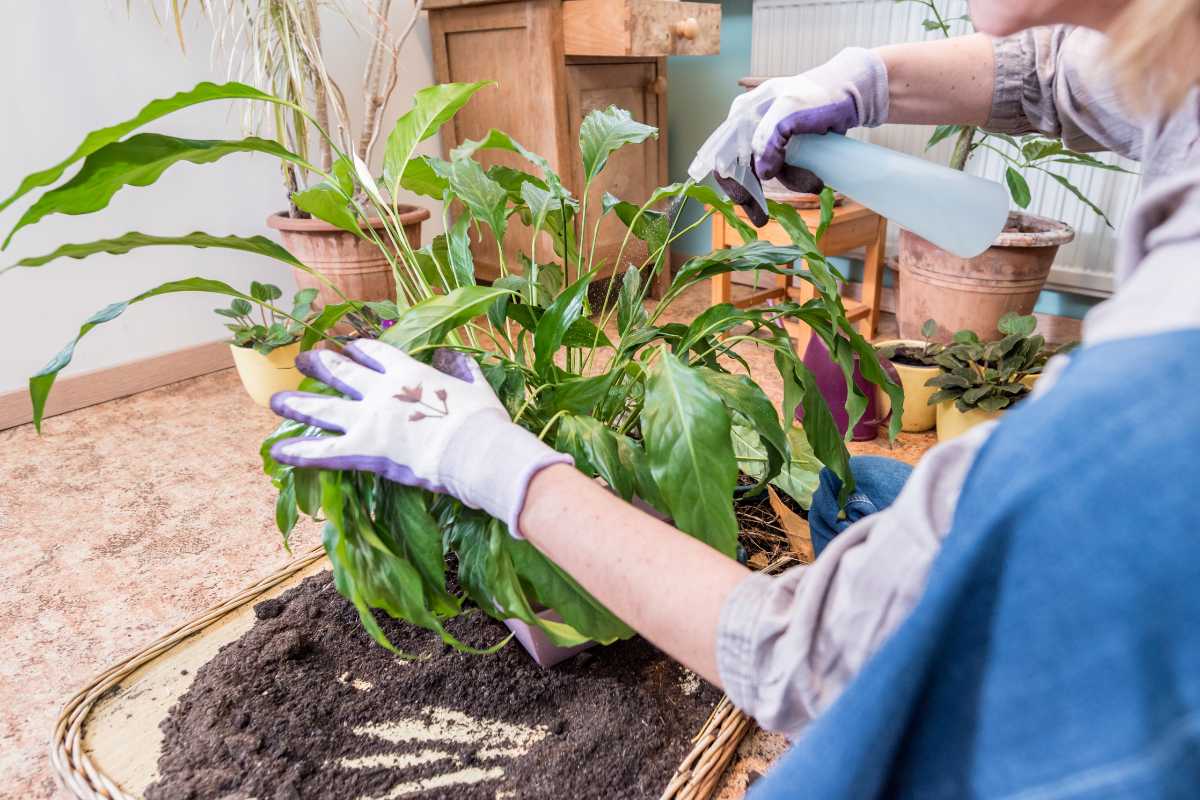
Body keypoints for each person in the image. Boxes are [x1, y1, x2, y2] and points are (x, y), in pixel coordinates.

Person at [269, 0, 1200, 795]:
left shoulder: (1140, 421)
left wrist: (488, 459)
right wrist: (866, 74)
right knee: (862, 490)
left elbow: (814, 659)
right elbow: (1056, 69)